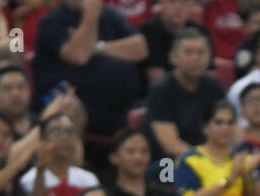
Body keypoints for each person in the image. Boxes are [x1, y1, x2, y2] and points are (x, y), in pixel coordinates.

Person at [33, 0, 146, 138]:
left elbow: (141, 48)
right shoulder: (52, 22)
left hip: (120, 104)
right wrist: (90, 16)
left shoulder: (109, 15)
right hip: (73, 99)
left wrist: (96, 47)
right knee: (69, 107)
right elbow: (79, 56)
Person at [147, 26, 227, 160]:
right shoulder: (161, 89)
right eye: (188, 53)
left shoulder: (213, 85)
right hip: (167, 162)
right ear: (173, 57)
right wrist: (207, 161)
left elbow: (228, 125)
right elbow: (170, 145)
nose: (195, 58)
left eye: (201, 52)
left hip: (209, 156)